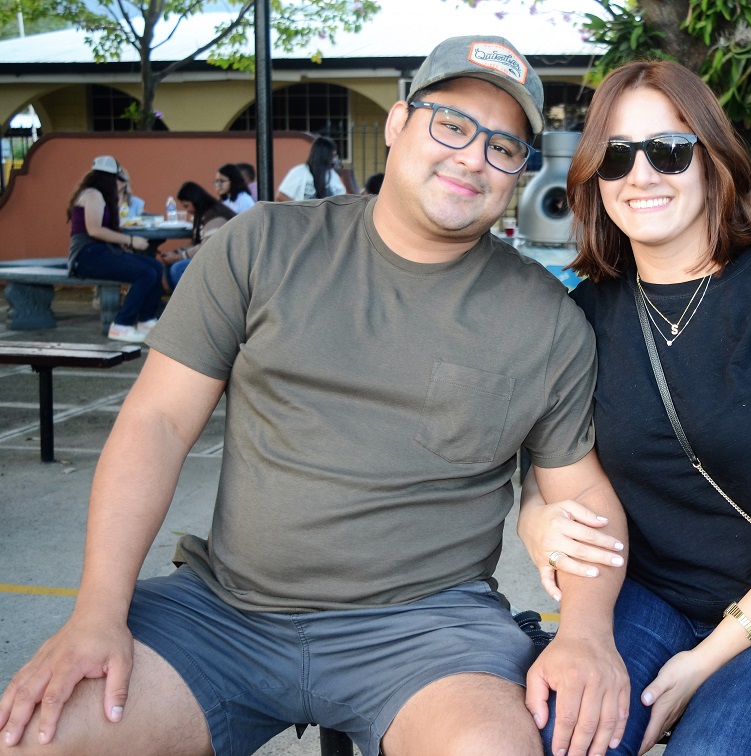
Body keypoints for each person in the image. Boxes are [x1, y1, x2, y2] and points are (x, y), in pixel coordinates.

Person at [0, 36, 630, 756]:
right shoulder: (262, 246)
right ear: (398, 125)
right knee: (36, 737)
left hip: (428, 632)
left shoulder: (544, 317)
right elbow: (158, 423)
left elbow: (580, 495)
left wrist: (585, 634)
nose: (472, 157)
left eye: (503, 147)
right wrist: (96, 614)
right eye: (451, 125)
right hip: (226, 613)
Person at [517, 60, 751, 755]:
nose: (642, 175)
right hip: (648, 599)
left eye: (669, 150)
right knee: (555, 741)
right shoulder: (585, 315)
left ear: (712, 159)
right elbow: (558, 478)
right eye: (617, 156)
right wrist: (536, 520)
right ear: (594, 175)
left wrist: (707, 659)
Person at [66, 155, 163, 343]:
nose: (122, 183)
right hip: (86, 255)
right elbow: (94, 230)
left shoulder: (100, 195)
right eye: (119, 179)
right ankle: (122, 325)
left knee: (155, 267)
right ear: (108, 178)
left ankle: (146, 320)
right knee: (145, 273)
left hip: (101, 251)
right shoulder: (92, 195)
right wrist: (131, 240)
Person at [156, 181, 236, 290]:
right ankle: (177, 303)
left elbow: (207, 247)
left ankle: (190, 303)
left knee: (177, 268)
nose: (187, 210)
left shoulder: (214, 216)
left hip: (224, 260)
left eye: (187, 206)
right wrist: (176, 252)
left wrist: (178, 257)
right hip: (211, 256)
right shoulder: (202, 214)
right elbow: (196, 243)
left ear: (195, 200)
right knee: (169, 264)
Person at [276, 136, 347, 201]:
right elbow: (281, 196)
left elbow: (341, 200)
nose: (334, 160)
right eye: (333, 156)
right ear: (325, 156)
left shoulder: (333, 176)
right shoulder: (299, 172)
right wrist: (300, 211)